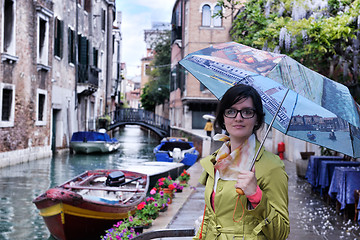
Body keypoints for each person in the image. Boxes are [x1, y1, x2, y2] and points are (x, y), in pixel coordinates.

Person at [194, 84, 289, 240]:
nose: (238, 117)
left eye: (247, 112)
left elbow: (281, 233)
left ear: (257, 118)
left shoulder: (272, 167)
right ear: (223, 118)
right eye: (231, 111)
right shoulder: (218, 160)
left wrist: (256, 197)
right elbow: (209, 219)